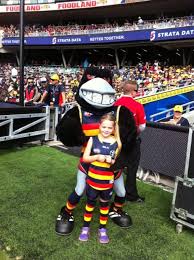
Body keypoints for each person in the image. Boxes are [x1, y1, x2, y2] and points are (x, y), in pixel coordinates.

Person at [79, 113, 121, 243]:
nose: (106, 130)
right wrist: (97, 157)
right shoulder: (93, 139)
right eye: (104, 127)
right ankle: (85, 228)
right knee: (90, 204)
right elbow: (85, 158)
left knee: (104, 206)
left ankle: (102, 229)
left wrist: (111, 161)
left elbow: (116, 162)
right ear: (99, 126)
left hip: (107, 182)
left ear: (114, 128)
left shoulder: (117, 143)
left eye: (109, 128)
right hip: (92, 180)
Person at [114, 80, 146, 202]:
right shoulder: (138, 105)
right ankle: (131, 195)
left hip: (116, 140)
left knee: (115, 167)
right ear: (133, 91)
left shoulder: (115, 103)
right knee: (132, 169)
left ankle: (106, 189)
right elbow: (142, 126)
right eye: (136, 90)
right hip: (132, 142)